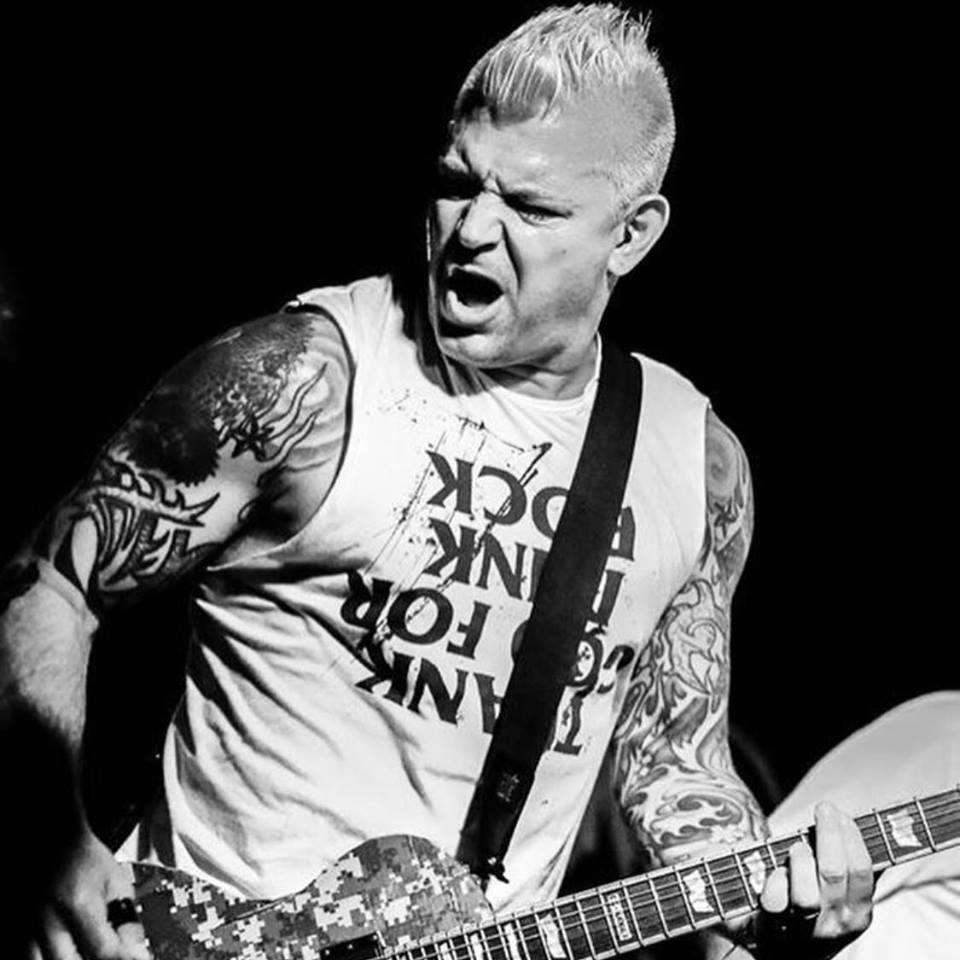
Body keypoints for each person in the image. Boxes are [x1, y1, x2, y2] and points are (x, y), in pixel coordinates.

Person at [0, 6, 876, 959]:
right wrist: (49, 838)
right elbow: (48, 586)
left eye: (531, 208)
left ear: (632, 235)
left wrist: (781, 900)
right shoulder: (306, 379)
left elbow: (674, 761)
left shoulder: (695, 463)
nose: (471, 231)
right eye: (459, 184)